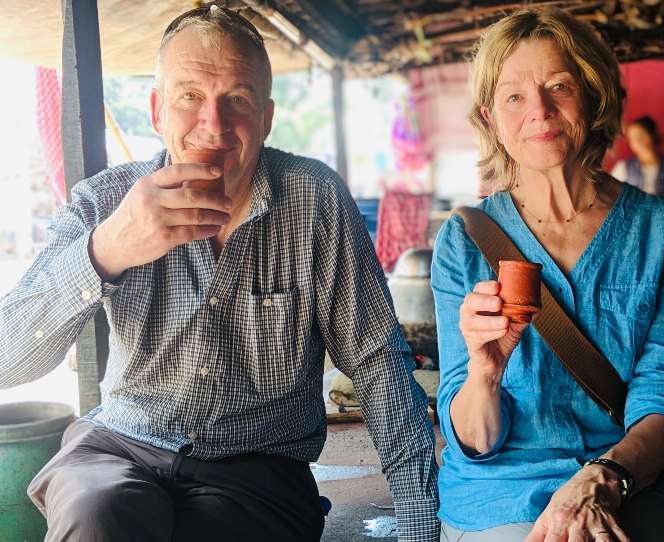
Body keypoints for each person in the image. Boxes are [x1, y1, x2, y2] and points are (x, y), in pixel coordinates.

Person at [0, 6, 438, 542]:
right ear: (158, 109)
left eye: (238, 98)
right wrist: (106, 250)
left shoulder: (315, 199)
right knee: (96, 514)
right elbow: (7, 358)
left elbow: (378, 363)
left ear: (267, 117)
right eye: (189, 96)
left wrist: (421, 523)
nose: (214, 123)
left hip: (257, 468)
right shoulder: (107, 201)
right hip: (118, 445)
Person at [431, 8, 664, 542]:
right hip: (501, 491)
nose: (539, 110)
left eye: (559, 86)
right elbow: (473, 438)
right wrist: (483, 374)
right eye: (514, 96)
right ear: (491, 118)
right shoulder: (464, 240)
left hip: (630, 479)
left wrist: (607, 475)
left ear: (594, 96)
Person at [610, 115, 664, 199]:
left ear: (652, 134)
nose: (638, 140)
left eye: (642, 134)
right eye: (633, 138)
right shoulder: (623, 167)